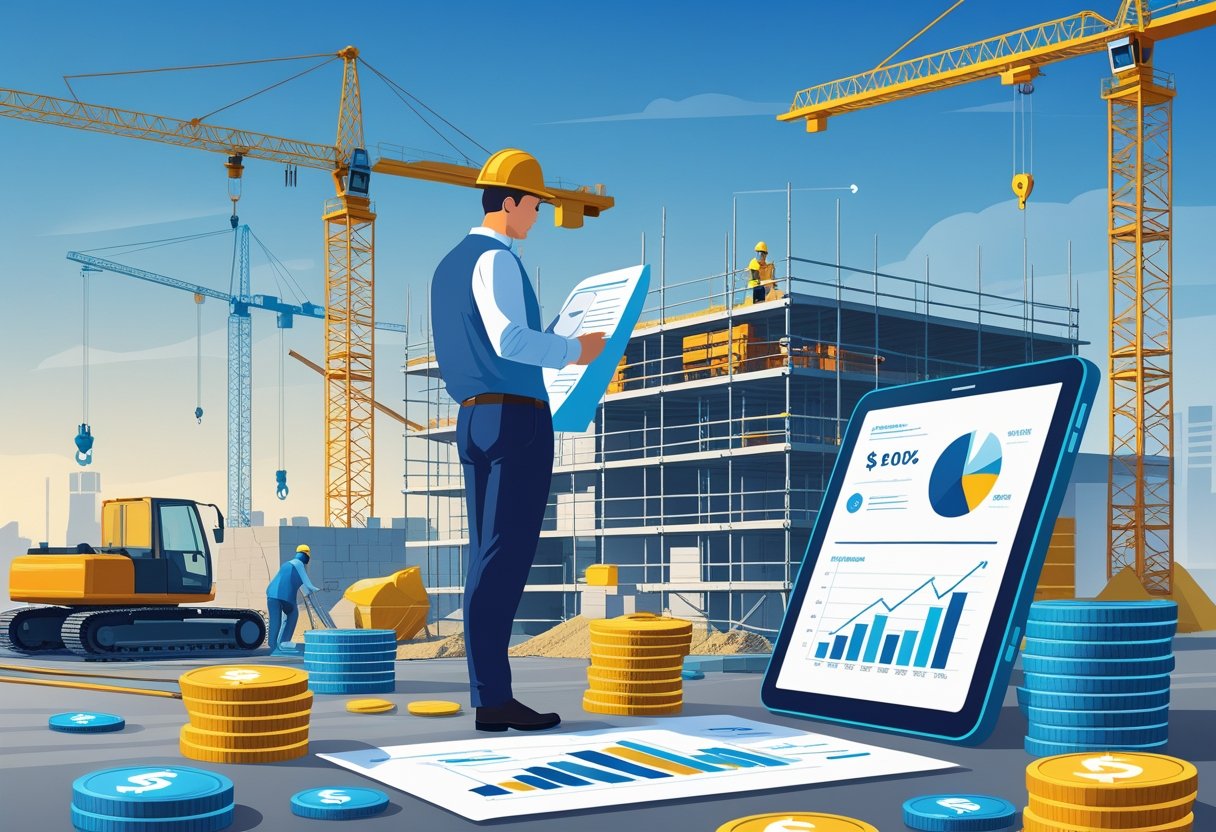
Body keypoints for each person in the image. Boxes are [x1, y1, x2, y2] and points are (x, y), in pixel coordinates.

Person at [430, 148, 606, 732]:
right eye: (533, 204)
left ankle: (491, 695)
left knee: (487, 556)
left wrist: (545, 340)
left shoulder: (447, 266)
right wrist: (573, 350)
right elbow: (508, 340)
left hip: (475, 418)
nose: (536, 216)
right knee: (504, 560)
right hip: (516, 419)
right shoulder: (496, 259)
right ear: (509, 202)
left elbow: (482, 341)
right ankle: (493, 699)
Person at [265, 544, 319, 655]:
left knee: (276, 620)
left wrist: (307, 592)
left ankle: (273, 645)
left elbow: (301, 585)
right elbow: (305, 581)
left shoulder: (287, 564)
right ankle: (284, 641)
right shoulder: (298, 563)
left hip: (272, 594)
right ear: (306, 554)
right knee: (292, 614)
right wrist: (313, 589)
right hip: (285, 596)